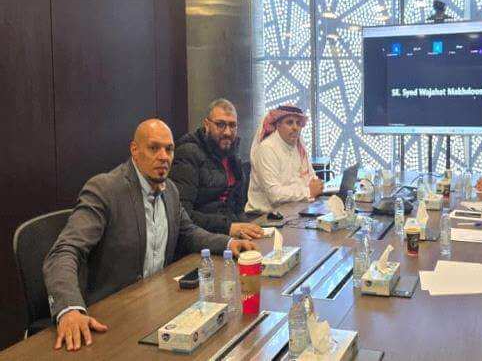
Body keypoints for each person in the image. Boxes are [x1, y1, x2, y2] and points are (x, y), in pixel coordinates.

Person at [43, 119, 256, 352]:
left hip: (157, 308)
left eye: (169, 149)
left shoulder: (170, 190)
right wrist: (70, 309)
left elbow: (189, 232)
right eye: (154, 148)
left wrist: (228, 243)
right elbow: (64, 251)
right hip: (110, 320)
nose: (164, 157)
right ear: (135, 150)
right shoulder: (105, 190)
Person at [171, 98, 263, 239]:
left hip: (231, 235)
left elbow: (238, 209)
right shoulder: (188, 154)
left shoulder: (233, 157)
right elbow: (182, 215)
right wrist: (228, 227)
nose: (227, 132)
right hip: (201, 240)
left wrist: (249, 230)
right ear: (206, 125)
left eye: (232, 125)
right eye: (220, 124)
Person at [245, 105, 324, 213]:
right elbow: (275, 195)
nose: (295, 127)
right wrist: (308, 192)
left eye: (298, 123)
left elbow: (312, 179)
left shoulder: (298, 145)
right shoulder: (267, 149)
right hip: (263, 216)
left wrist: (316, 187)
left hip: (293, 210)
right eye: (290, 122)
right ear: (278, 125)